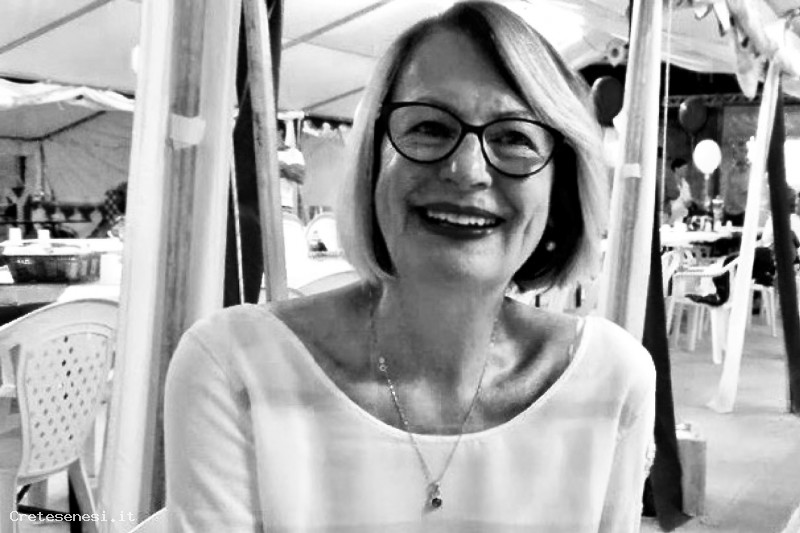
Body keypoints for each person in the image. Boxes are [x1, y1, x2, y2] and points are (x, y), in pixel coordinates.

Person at [165, 3, 656, 531]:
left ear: (561, 188)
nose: (467, 170)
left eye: (514, 137)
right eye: (429, 127)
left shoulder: (611, 382)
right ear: (373, 160)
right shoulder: (237, 369)